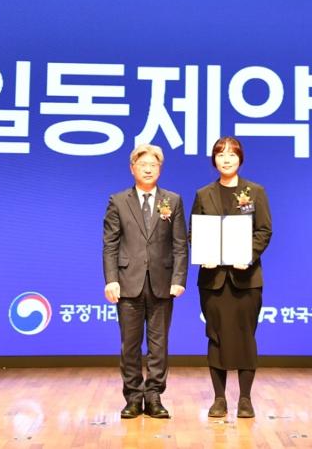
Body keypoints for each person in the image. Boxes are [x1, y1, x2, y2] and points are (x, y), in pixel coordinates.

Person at [102, 144, 188, 419]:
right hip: (128, 282)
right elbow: (110, 244)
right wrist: (111, 279)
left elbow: (180, 244)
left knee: (158, 345)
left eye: (153, 165)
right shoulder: (118, 201)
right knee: (130, 345)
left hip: (162, 283)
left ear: (160, 169)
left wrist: (179, 278)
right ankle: (133, 397)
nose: (148, 169)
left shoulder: (172, 200)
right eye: (143, 165)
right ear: (132, 169)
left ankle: (153, 397)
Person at [191, 136, 272, 419]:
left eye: (231, 154)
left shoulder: (255, 192)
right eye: (220, 154)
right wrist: (204, 253)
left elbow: (264, 230)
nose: (226, 159)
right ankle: (219, 399)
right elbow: (193, 232)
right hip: (213, 280)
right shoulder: (204, 194)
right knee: (215, 337)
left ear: (240, 159)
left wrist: (247, 255)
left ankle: (245, 399)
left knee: (245, 337)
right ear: (214, 160)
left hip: (246, 280)